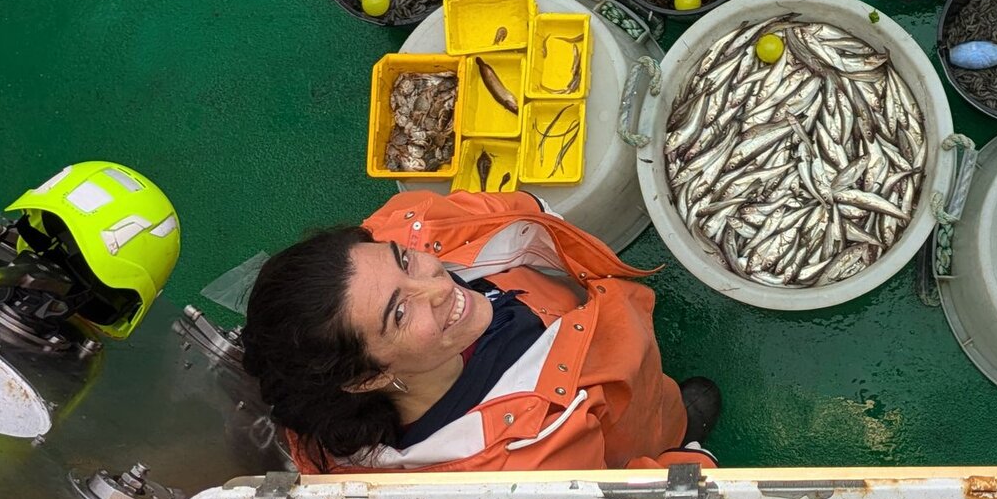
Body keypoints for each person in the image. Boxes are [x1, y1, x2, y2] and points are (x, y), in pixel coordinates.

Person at [242, 189, 720, 472]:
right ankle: (676, 435)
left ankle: (666, 405)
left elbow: (478, 213)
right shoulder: (526, 462)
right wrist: (692, 468)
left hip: (594, 341)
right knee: (653, 425)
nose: (435, 284)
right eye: (400, 314)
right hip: (618, 426)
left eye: (404, 261)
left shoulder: (396, 236)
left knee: (658, 393)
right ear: (365, 378)